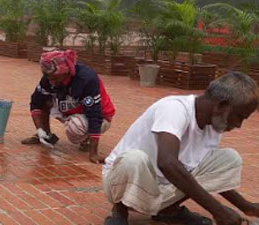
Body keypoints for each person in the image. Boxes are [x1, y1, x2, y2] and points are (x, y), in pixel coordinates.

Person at [102, 72, 259, 225]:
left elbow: (206, 175)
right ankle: (120, 210)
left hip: (161, 188)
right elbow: (167, 163)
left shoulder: (215, 124)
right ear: (222, 106)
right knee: (133, 160)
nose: (238, 125)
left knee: (229, 159)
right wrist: (218, 211)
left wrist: (247, 207)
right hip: (122, 182)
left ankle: (167, 211)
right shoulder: (174, 108)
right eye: (239, 117)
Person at [21, 49, 116, 164]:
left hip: (101, 117)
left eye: (55, 79)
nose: (51, 82)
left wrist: (93, 153)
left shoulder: (86, 79)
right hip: (72, 111)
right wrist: (40, 130)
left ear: (66, 72)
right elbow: (35, 102)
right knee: (44, 100)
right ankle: (46, 135)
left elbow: (94, 114)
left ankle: (86, 140)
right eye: (49, 78)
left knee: (75, 128)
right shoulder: (49, 78)